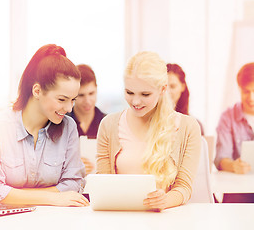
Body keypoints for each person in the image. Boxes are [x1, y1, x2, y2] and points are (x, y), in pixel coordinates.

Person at [0, 44, 89, 207]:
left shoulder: (68, 126)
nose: (69, 108)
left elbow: (73, 184)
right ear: (37, 91)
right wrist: (53, 197)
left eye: (73, 100)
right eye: (62, 99)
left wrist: (15, 194)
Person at [96, 51, 201, 211]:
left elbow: (184, 187)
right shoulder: (109, 125)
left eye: (145, 94)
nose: (136, 101)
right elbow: (103, 184)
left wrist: (165, 200)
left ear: (163, 89)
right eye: (129, 92)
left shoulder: (188, 127)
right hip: (120, 218)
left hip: (163, 219)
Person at [214, 62, 254, 203]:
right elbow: (221, 159)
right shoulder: (228, 117)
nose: (251, 98)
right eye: (246, 91)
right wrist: (234, 166)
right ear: (239, 89)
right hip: (238, 189)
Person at [67, 64, 106, 174]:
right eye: (81, 95)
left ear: (97, 89)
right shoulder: (62, 123)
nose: (88, 101)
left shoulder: (107, 123)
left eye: (91, 93)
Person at [167, 63, 204, 135]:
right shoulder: (149, 123)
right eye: (164, 86)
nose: (167, 91)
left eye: (172, 86)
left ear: (182, 87)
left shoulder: (194, 125)